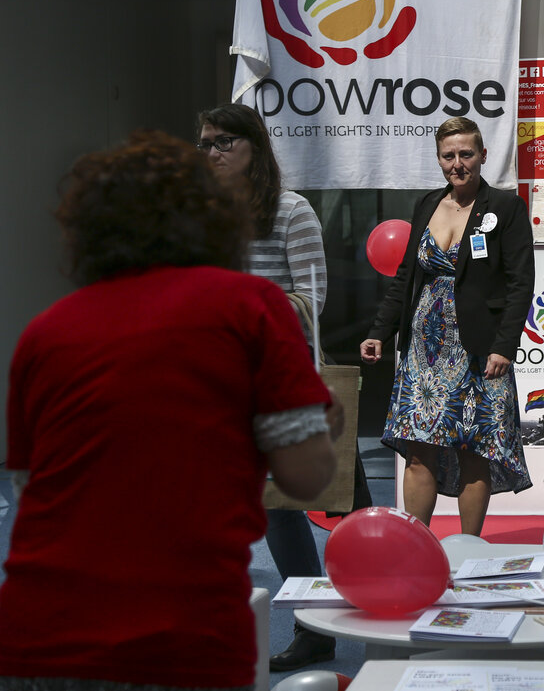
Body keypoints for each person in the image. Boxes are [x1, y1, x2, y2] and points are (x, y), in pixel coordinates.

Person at [0, 132, 341, 690]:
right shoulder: (251, 308)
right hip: (180, 637)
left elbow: (30, 488)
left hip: (33, 635)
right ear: (210, 218)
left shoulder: (46, 331)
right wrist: (324, 424)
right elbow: (305, 477)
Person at [197, 103, 365, 671]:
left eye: (223, 141)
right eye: (205, 144)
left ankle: (312, 626)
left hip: (276, 374)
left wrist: (238, 308)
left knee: (282, 510)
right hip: (219, 375)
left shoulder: (291, 211)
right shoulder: (206, 214)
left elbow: (311, 304)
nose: (212, 152)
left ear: (254, 148)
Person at [360, 116, 534, 536]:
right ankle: (414, 544)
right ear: (439, 159)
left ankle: (468, 550)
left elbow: (520, 282)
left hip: (478, 347)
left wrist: (503, 347)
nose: (458, 163)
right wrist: (379, 331)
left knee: (474, 448)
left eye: (466, 154)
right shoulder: (426, 204)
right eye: (448, 155)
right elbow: (406, 276)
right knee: (419, 450)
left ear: (483, 156)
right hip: (425, 347)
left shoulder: (505, 207)